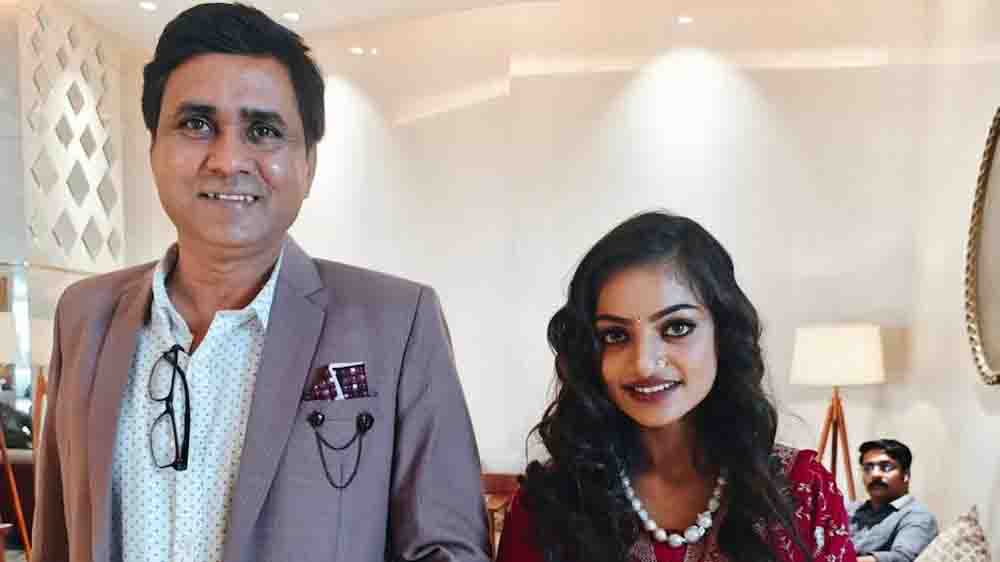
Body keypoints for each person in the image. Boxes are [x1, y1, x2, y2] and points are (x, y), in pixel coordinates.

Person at [32, 4, 490, 562]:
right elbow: (56, 537)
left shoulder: (396, 323)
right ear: (153, 148)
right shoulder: (84, 315)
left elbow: (448, 550)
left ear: (308, 164)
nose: (228, 160)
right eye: (196, 124)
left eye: (264, 131)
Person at [497, 211, 857, 562]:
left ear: (723, 334)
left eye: (677, 328)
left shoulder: (801, 492)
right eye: (615, 335)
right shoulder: (549, 504)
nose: (644, 364)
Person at [848, 439, 938, 562]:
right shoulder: (849, 510)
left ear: (906, 475)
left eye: (886, 467)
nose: (875, 474)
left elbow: (903, 558)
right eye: (868, 468)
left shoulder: (918, 516)